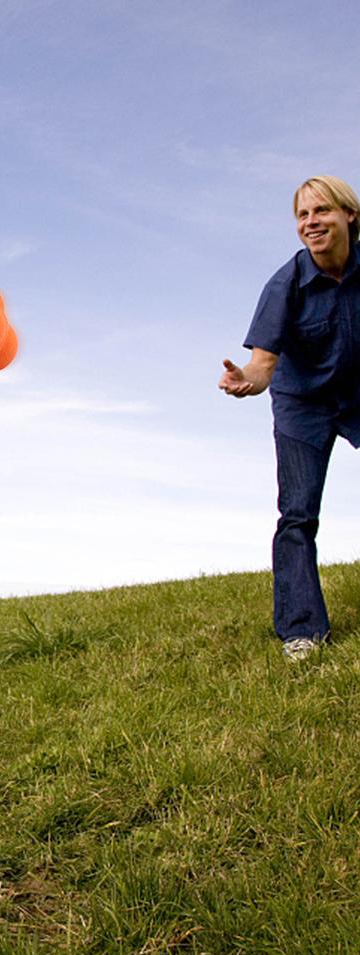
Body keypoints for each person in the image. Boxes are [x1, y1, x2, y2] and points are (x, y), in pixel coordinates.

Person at [219, 175, 360, 660]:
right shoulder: (286, 284)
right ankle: (302, 630)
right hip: (303, 405)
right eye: (303, 215)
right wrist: (248, 381)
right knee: (297, 514)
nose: (311, 223)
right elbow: (262, 363)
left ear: (349, 216)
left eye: (321, 211)